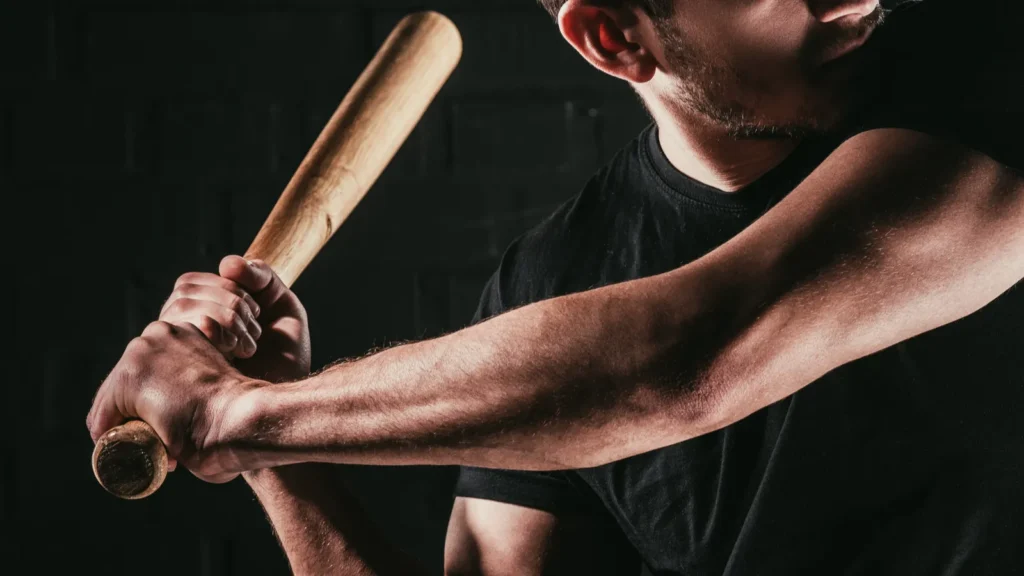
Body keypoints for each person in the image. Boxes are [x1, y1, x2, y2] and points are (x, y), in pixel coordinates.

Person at [87, 0, 1023, 574]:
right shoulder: (556, 286)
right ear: (613, 38)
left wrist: (235, 415)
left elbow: (692, 359)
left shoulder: (987, 75)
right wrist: (278, 442)